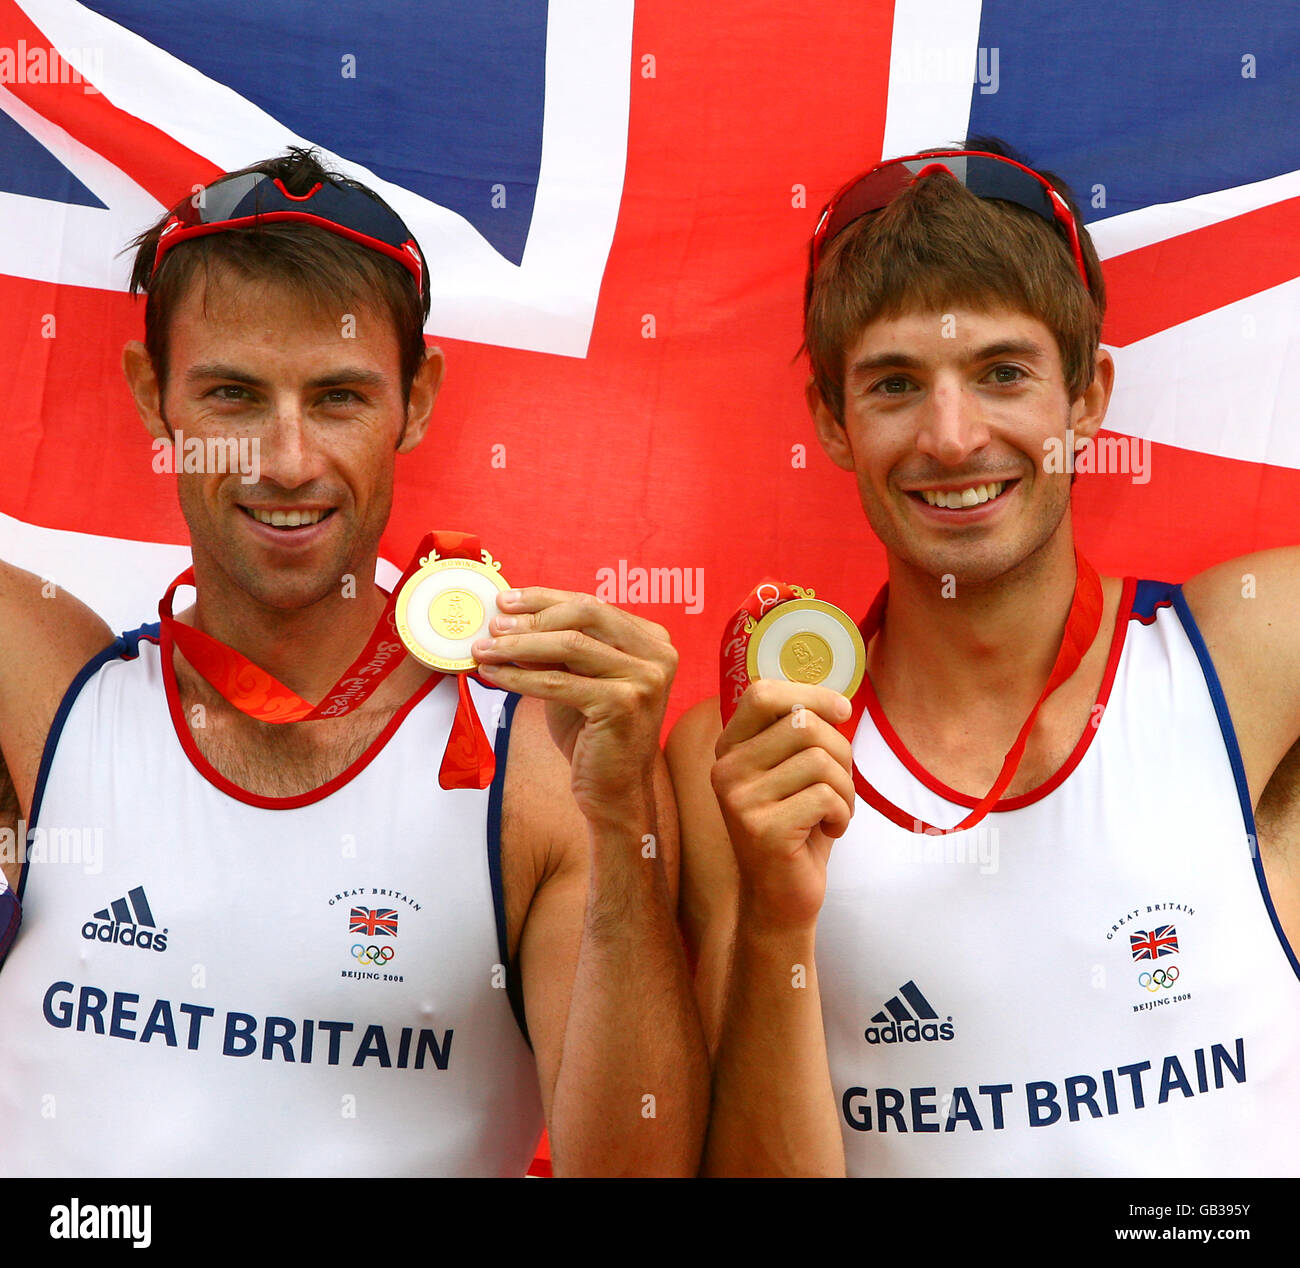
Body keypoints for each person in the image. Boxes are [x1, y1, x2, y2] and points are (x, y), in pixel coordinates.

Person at [0, 148, 707, 1177]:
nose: (286, 460)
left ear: (417, 399)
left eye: (337, 398)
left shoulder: (547, 769)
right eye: (233, 395)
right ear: (153, 394)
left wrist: (624, 823)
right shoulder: (39, 685)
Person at [667, 139, 1300, 1176]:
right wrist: (779, 925)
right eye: (894, 385)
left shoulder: (1254, 653)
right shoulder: (745, 752)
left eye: (1001, 373)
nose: (952, 438)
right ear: (831, 420)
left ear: (1085, 396)